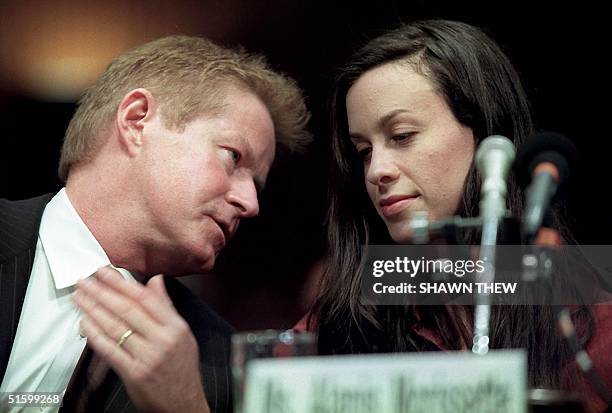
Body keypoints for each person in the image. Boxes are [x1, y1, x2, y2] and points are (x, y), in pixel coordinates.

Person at [308, 20, 612, 413]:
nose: (375, 170)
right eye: (364, 150)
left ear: (487, 133)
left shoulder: (589, 316)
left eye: (401, 136)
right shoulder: (348, 312)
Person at [0, 35, 310, 412]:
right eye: (232, 156)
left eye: (256, 184)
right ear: (136, 121)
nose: (250, 204)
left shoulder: (218, 371)